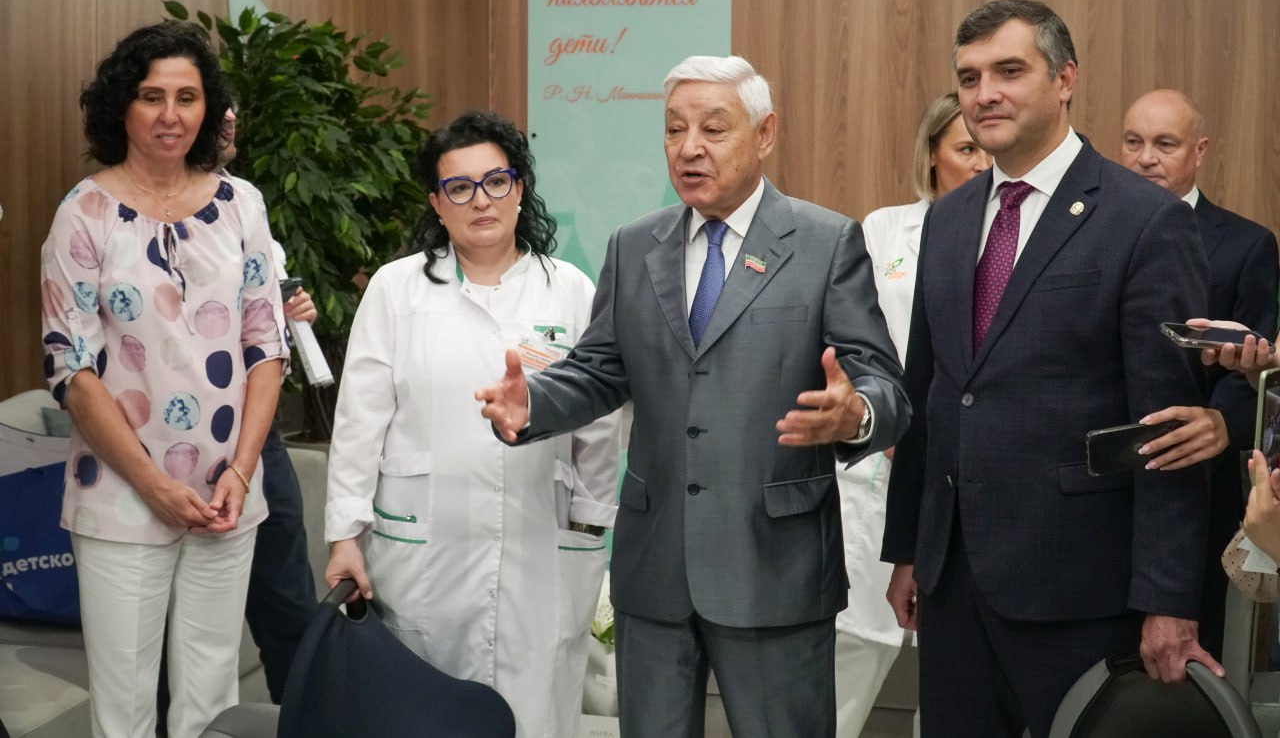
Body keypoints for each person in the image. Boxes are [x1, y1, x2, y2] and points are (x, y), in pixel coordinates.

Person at [478, 55, 911, 738]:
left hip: (774, 564)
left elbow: (885, 385)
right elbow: (600, 369)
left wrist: (855, 414)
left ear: (765, 134)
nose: (689, 147)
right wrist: (534, 403)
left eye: (713, 128)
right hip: (656, 567)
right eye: (675, 128)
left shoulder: (825, 243)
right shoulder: (633, 246)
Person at [882, 0, 1216, 738]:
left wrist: (1168, 598)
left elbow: (1166, 428)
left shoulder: (1144, 220)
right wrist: (908, 550)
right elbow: (932, 394)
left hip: (1078, 589)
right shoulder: (948, 218)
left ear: (1065, 79)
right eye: (969, 77)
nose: (985, 94)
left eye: (1009, 71)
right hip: (953, 584)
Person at [323, 110, 619, 738]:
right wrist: (345, 533)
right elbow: (358, 423)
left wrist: (588, 528)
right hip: (425, 551)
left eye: (496, 181)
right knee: (424, 713)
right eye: (459, 187)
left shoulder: (569, 290)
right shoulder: (396, 290)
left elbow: (600, 422)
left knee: (536, 715)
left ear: (520, 188)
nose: (480, 201)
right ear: (437, 202)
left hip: (542, 550)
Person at [40, 21, 287, 738]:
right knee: (124, 710)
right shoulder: (83, 213)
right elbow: (72, 368)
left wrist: (241, 472)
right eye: (152, 96)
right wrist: (152, 485)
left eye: (187, 97)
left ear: (208, 107)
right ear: (122, 105)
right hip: (122, 496)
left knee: (210, 701)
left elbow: (266, 347)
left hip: (225, 497)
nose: (170, 115)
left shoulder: (242, 204)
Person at [834, 92, 990, 736]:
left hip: (963, 466)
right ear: (931, 154)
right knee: (852, 648)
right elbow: (848, 337)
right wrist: (887, 420)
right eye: (965, 148)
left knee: (956, 669)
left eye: (986, 148)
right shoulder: (883, 229)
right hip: (879, 462)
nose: (981, 162)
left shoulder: (1011, 237)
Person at [1118, 88, 1280, 659]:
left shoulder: (1246, 244)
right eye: (1133, 142)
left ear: (1200, 150)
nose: (1146, 158)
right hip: (1101, 484)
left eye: (1164, 144)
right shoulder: (1090, 234)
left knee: (1185, 660)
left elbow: (1263, 370)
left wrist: (1224, 420)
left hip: (1198, 483)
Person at [217, 108, 320, 702]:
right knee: (182, 627)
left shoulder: (247, 200)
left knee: (289, 600)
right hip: (172, 439)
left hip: (260, 433)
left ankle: (301, 719)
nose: (230, 115)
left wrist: (288, 314)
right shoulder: (121, 207)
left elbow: (262, 318)